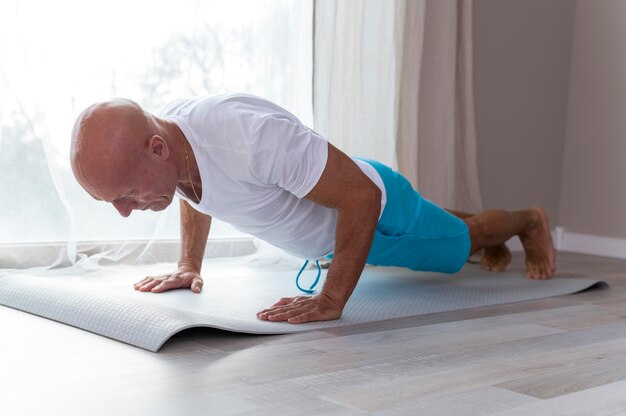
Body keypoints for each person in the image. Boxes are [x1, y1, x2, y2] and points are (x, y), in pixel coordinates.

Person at [70, 94, 556, 324]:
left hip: (377, 211)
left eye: (126, 196)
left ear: (156, 149)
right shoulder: (174, 149)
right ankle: (471, 230)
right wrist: (187, 264)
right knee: (447, 227)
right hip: (348, 193)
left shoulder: (248, 138)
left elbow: (360, 198)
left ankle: (527, 222)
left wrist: (331, 299)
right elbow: (196, 189)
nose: (126, 213)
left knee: (459, 243)